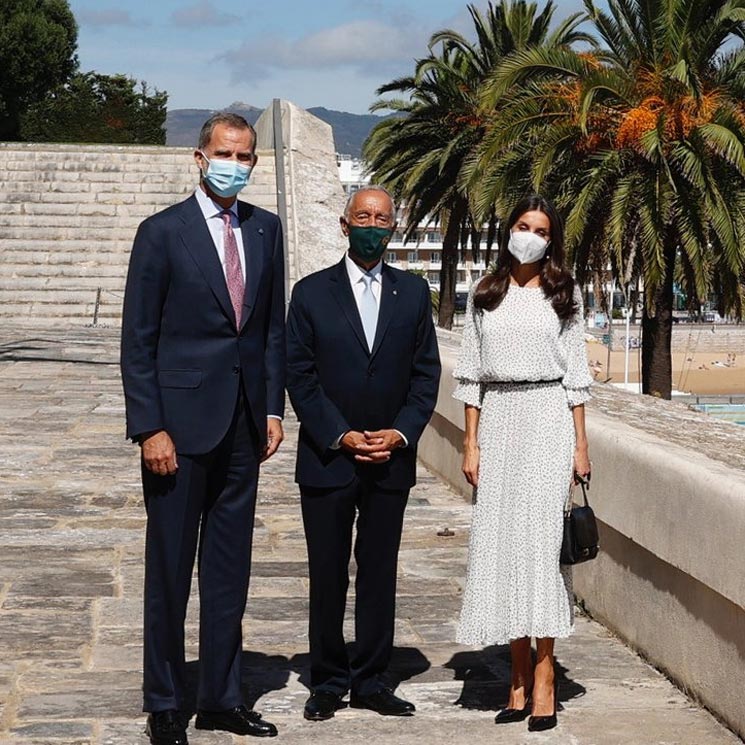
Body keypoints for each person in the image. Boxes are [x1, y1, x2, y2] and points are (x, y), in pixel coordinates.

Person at [120, 113, 285, 745]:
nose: (236, 165)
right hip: (178, 432)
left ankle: (221, 696)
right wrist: (150, 428)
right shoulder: (162, 233)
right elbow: (139, 342)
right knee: (168, 570)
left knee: (228, 573)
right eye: (225, 153)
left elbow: (269, 329)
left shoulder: (266, 230)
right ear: (199, 156)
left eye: (246, 157)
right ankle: (165, 699)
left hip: (243, 428)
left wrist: (271, 409)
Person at [285, 185, 441, 722]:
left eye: (383, 218)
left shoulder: (414, 294)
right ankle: (327, 680)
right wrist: (341, 434)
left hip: (389, 460)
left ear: (394, 227)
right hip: (329, 458)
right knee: (327, 573)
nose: (373, 225)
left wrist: (400, 434)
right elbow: (299, 376)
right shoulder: (309, 294)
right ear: (344, 224)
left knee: (379, 572)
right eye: (363, 216)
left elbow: (426, 376)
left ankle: (373, 678)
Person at [453, 194, 593, 732]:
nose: (529, 235)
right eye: (521, 225)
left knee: (538, 550)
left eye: (539, 228)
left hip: (547, 418)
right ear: (508, 230)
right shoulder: (484, 294)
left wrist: (580, 445)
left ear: (551, 238)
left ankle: (543, 677)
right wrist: (471, 443)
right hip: (499, 420)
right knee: (502, 546)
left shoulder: (564, 293)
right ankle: (513, 676)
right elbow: (469, 374)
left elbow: (577, 374)